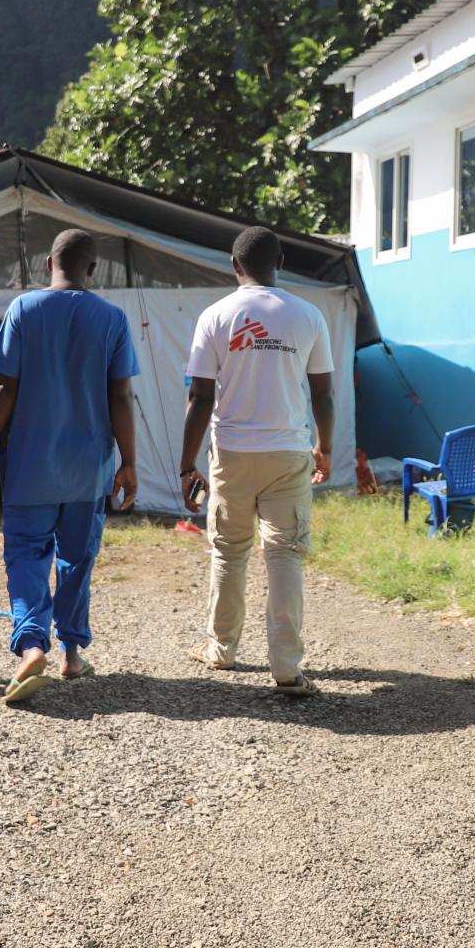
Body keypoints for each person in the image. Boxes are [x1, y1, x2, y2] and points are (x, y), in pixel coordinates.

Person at [0, 229, 139, 704]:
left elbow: (3, 386)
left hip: (30, 465)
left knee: (26, 555)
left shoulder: (23, 309)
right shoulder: (112, 318)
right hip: (88, 468)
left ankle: (30, 645)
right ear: (92, 270)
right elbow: (121, 394)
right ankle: (71, 653)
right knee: (77, 558)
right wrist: (129, 461)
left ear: (48, 263)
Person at [179, 226, 334, 698]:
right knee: (284, 553)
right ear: (280, 262)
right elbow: (323, 393)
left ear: (234, 264)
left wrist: (186, 464)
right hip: (288, 451)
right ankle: (286, 666)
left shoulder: (215, 315)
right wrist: (325, 447)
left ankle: (221, 648)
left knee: (229, 551)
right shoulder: (309, 315)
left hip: (231, 452)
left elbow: (199, 395)